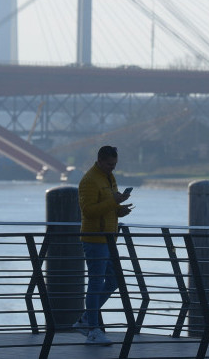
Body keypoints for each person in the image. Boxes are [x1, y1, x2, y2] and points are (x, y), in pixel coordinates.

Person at [73, 145, 133, 346]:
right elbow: (88, 211)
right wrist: (113, 202)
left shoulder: (109, 178)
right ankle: (92, 329)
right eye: (109, 164)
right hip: (94, 239)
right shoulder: (89, 180)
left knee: (113, 280)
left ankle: (86, 319)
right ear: (99, 161)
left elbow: (107, 206)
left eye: (114, 164)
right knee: (96, 282)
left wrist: (119, 208)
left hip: (108, 238)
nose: (112, 168)